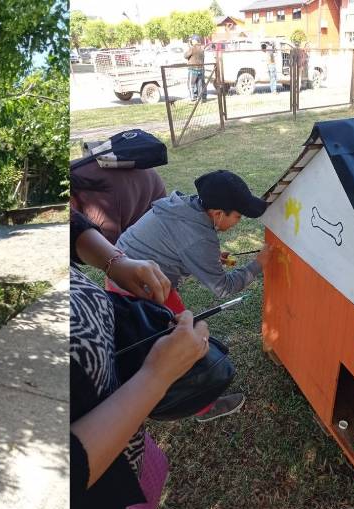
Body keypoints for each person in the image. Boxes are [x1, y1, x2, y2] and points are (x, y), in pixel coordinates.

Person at [70, 208, 209, 509]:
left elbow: (68, 221)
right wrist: (156, 377)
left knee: (140, 501)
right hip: (95, 500)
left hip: (120, 427)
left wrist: (114, 261)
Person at [114, 170, 273, 422]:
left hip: (122, 268)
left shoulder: (182, 205)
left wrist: (203, 259)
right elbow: (222, 288)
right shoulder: (199, 237)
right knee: (184, 340)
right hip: (140, 287)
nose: (239, 222)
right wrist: (258, 264)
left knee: (172, 334)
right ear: (218, 214)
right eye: (238, 216)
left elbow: (175, 244)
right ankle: (202, 406)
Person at [184, 37, 207, 102]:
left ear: (195, 41)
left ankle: (193, 98)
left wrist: (189, 48)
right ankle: (200, 98)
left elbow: (185, 56)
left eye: (193, 40)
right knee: (200, 85)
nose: (192, 41)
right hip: (200, 69)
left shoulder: (192, 48)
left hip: (193, 69)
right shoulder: (202, 48)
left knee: (191, 84)